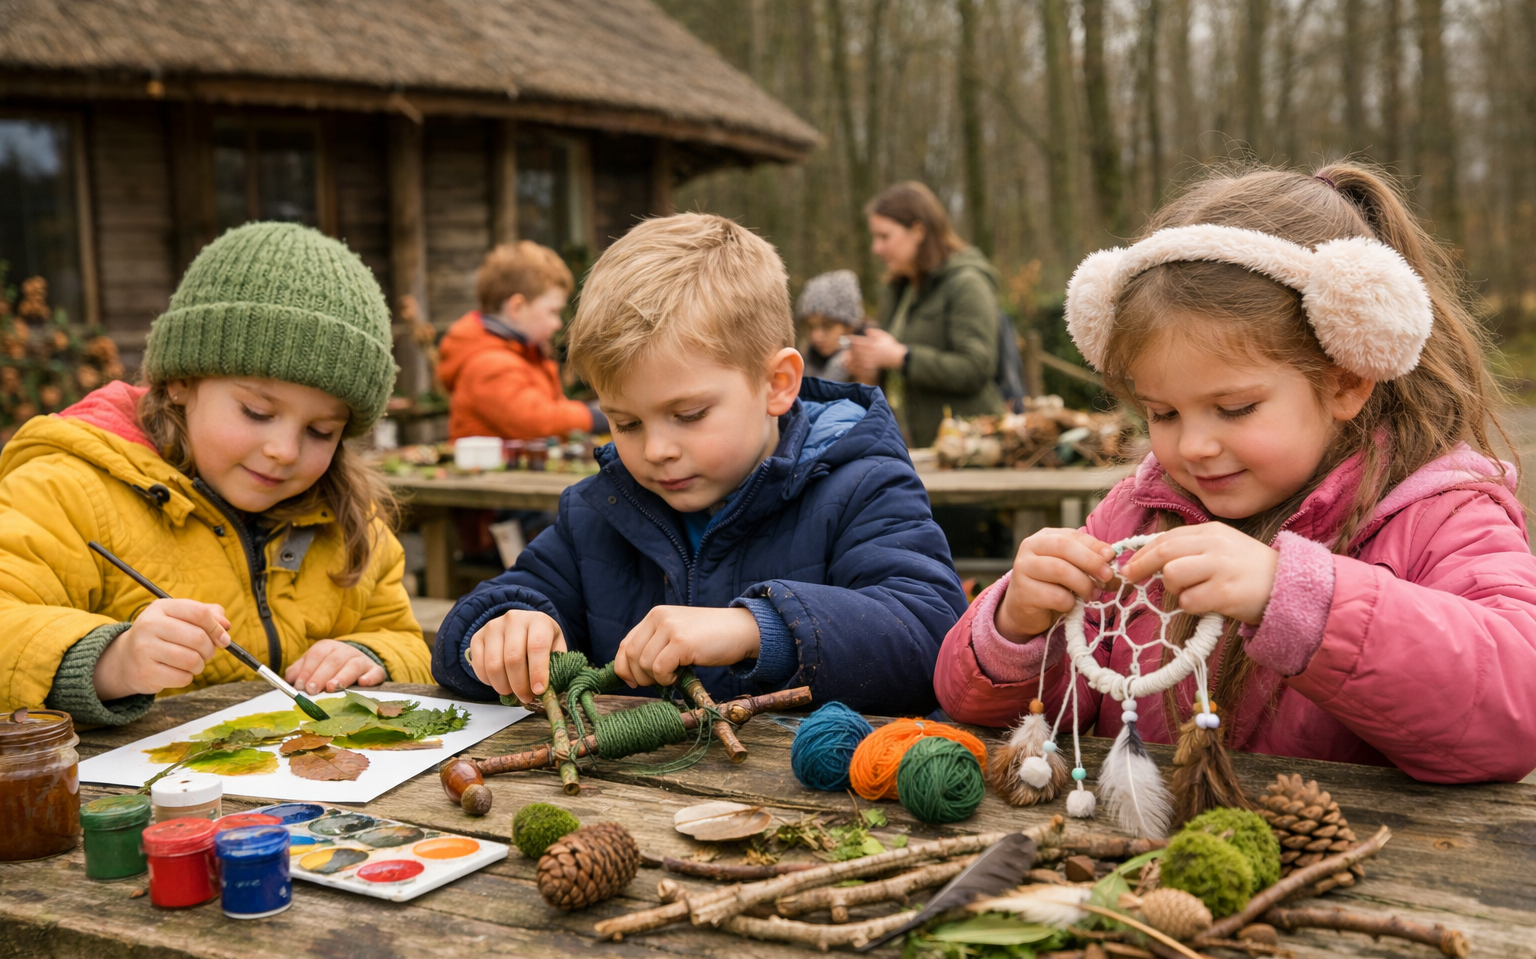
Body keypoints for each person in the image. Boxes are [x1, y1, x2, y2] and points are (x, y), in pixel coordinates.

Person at [934, 162, 1536, 784]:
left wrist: (1297, 598)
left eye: (1234, 409)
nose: (1193, 446)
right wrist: (1016, 629)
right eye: (1161, 412)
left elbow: (1515, 713)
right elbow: (1036, 711)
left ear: (1348, 378)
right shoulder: (1134, 514)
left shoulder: (1442, 516)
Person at [431, 214, 967, 715]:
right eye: (627, 423)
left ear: (777, 384)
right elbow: (471, 635)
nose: (655, 450)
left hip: (818, 804)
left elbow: (930, 639)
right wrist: (502, 629)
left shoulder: (861, 484)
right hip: (631, 805)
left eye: (688, 414)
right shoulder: (599, 512)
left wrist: (758, 628)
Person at [0, 222, 431, 723]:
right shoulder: (67, 489)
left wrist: (371, 657)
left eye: (320, 431)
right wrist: (109, 662)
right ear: (181, 381)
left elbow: (404, 638)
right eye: (256, 412)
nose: (283, 450)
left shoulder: (349, 521)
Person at [847, 181, 1004, 447]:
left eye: (884, 237)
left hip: (970, 448)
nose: (876, 248)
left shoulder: (967, 282)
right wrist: (869, 365)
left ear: (918, 231)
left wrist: (902, 357)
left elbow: (976, 367)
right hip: (913, 446)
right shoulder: (900, 288)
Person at [437, 241, 606, 441]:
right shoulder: (488, 364)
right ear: (517, 308)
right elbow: (535, 420)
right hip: (488, 471)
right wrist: (596, 417)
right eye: (552, 312)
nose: (557, 324)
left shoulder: (525, 352)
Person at [795, 269, 868, 384]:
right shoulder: (803, 360)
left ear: (849, 325)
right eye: (811, 327)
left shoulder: (869, 363)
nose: (816, 336)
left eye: (827, 326)